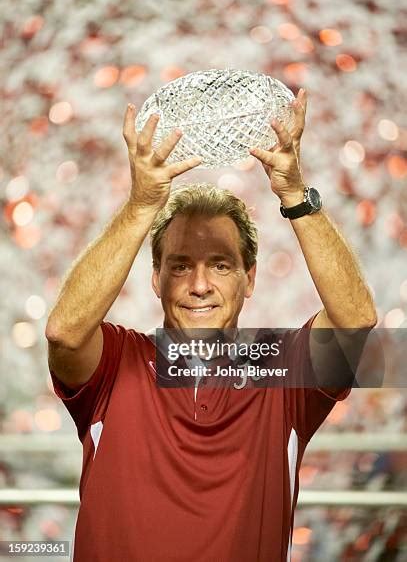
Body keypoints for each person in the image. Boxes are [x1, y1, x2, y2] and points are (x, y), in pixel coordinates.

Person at [46, 90, 377, 562]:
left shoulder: (280, 368)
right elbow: (64, 332)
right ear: (156, 280)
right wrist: (142, 205)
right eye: (180, 266)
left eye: (220, 265)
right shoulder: (117, 361)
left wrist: (295, 196)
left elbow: (356, 321)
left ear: (250, 278)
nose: (199, 285)